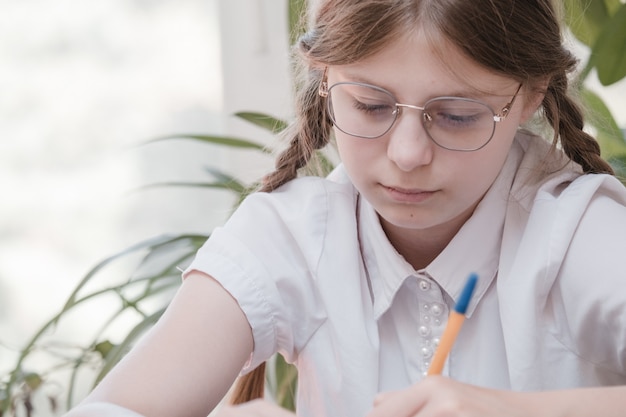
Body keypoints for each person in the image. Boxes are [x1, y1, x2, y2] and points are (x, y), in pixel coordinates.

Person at [64, 0, 626, 416]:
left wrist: (507, 411)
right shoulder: (291, 235)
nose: (407, 155)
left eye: (456, 115)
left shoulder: (577, 231)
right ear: (323, 79)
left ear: (529, 95)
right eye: (370, 105)